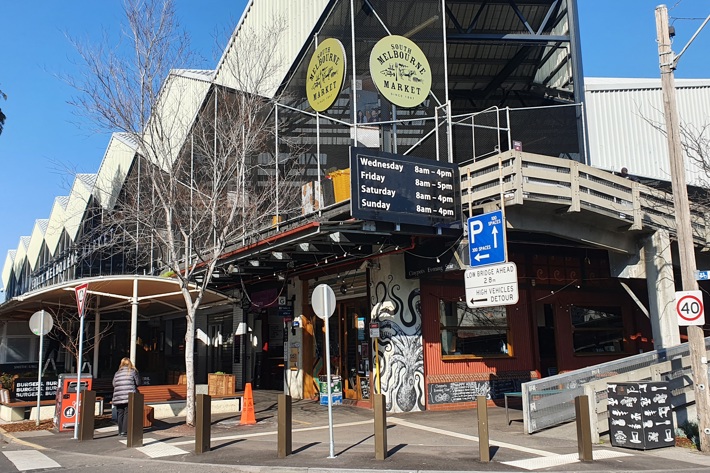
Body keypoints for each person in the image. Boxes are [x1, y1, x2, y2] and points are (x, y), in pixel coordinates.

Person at [112, 357, 140, 437]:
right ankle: (124, 431)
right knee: (127, 412)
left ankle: (120, 431)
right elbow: (138, 382)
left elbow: (114, 384)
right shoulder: (132, 371)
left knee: (120, 413)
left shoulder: (117, 373)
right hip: (129, 395)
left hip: (118, 396)